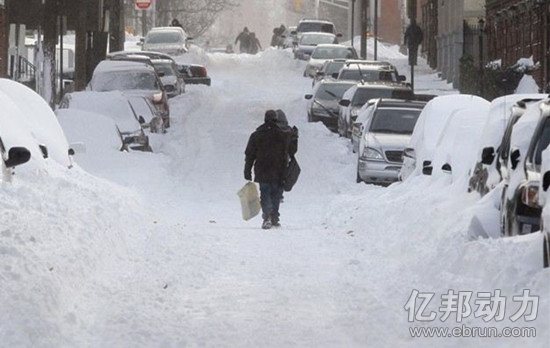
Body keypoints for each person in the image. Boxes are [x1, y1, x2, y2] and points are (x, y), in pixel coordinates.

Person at [244, 110, 297, 229]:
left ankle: (267, 216)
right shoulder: (283, 135)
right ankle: (274, 217)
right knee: (276, 194)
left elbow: (250, 154)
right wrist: (294, 137)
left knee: (265, 193)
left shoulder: (257, 135)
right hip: (279, 170)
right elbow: (292, 151)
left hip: (262, 170)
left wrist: (247, 170)